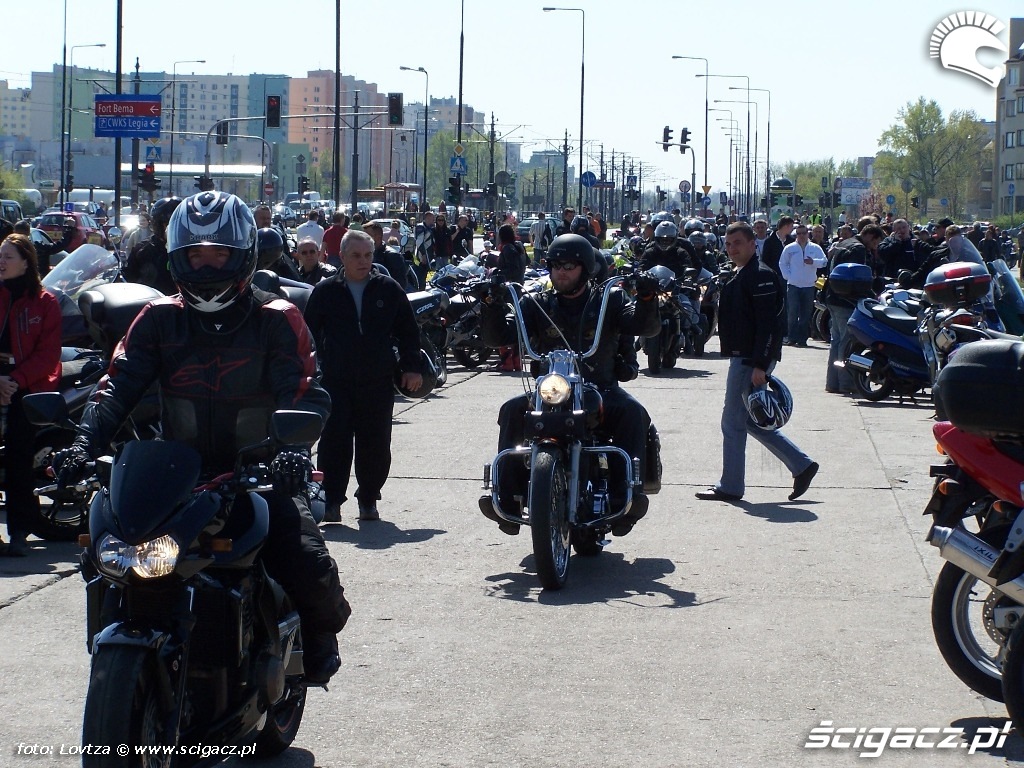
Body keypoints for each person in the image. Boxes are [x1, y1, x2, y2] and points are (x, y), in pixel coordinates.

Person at [51, 192, 350, 684]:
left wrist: (293, 450)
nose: (207, 265)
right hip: (175, 474)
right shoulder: (157, 319)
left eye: (219, 254)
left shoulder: (277, 318)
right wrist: (84, 444)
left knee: (304, 560)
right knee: (107, 549)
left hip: (257, 472)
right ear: (177, 259)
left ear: (243, 256)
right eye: (195, 256)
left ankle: (318, 637)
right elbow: (116, 386)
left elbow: (302, 390)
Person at [479, 233, 661, 537]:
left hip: (600, 388)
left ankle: (626, 498)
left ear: (585, 269)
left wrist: (646, 297)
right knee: (512, 409)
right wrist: (491, 302)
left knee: (633, 413)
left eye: (568, 266)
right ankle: (508, 501)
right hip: (551, 391)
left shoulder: (609, 299)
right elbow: (499, 336)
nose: (560, 272)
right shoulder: (537, 303)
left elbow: (645, 326)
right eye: (555, 265)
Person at [304, 229, 423, 524]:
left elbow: (409, 332)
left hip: (377, 380)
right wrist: (308, 374)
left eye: (368, 255)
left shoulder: (388, 289)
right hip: (336, 381)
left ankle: (368, 499)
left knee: (376, 443)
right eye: (356, 255)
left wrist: (412, 367)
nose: (363, 261)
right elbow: (307, 336)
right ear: (341, 257)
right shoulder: (325, 291)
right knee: (334, 442)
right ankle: (332, 501)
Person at [695, 222, 818, 503]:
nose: (732, 249)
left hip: (750, 358)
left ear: (753, 244)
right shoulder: (741, 273)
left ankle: (731, 486)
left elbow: (769, 325)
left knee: (732, 422)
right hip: (744, 355)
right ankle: (801, 465)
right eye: (728, 244)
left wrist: (760, 364)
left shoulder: (760, 275)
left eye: (738, 243)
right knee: (748, 420)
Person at [0, 234, 61, 556]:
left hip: (26, 387)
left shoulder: (45, 302)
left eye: (8, 256)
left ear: (26, 262)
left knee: (19, 460)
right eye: (0, 255)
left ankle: (20, 533)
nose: (1, 262)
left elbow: (48, 355)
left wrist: (14, 380)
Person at [824, 224, 885, 393]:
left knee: (836, 341)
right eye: (875, 242)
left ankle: (833, 382)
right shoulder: (858, 249)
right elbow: (858, 278)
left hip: (833, 297)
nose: (875, 246)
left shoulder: (845, 243)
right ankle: (846, 383)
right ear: (870, 236)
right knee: (848, 342)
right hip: (846, 300)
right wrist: (871, 294)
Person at [779, 224, 827, 347]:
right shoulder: (790, 248)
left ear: (807, 234)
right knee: (792, 313)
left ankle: (802, 339)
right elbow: (782, 263)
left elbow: (824, 262)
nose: (801, 236)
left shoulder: (815, 248)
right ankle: (792, 338)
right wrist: (788, 276)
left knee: (805, 314)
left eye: (803, 233)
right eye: (798, 233)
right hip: (793, 285)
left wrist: (813, 262)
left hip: (809, 285)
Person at [124, 196, 182, 296]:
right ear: (158, 225)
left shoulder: (193, 249)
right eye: (169, 224)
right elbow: (129, 281)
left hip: (187, 303)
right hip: (152, 302)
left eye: (180, 224)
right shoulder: (142, 250)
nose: (175, 228)